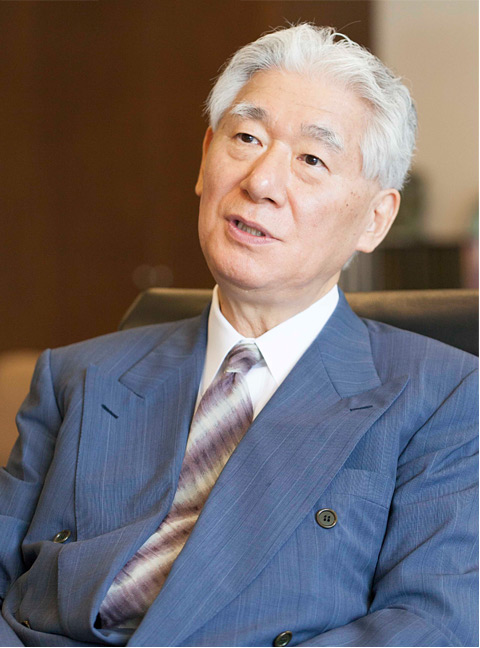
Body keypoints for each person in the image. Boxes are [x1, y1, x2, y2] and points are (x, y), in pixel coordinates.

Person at [0, 24, 477, 648]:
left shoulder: (445, 396)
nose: (261, 182)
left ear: (376, 219)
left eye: (311, 159)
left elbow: (432, 624)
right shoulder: (75, 376)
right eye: (246, 138)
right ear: (205, 159)